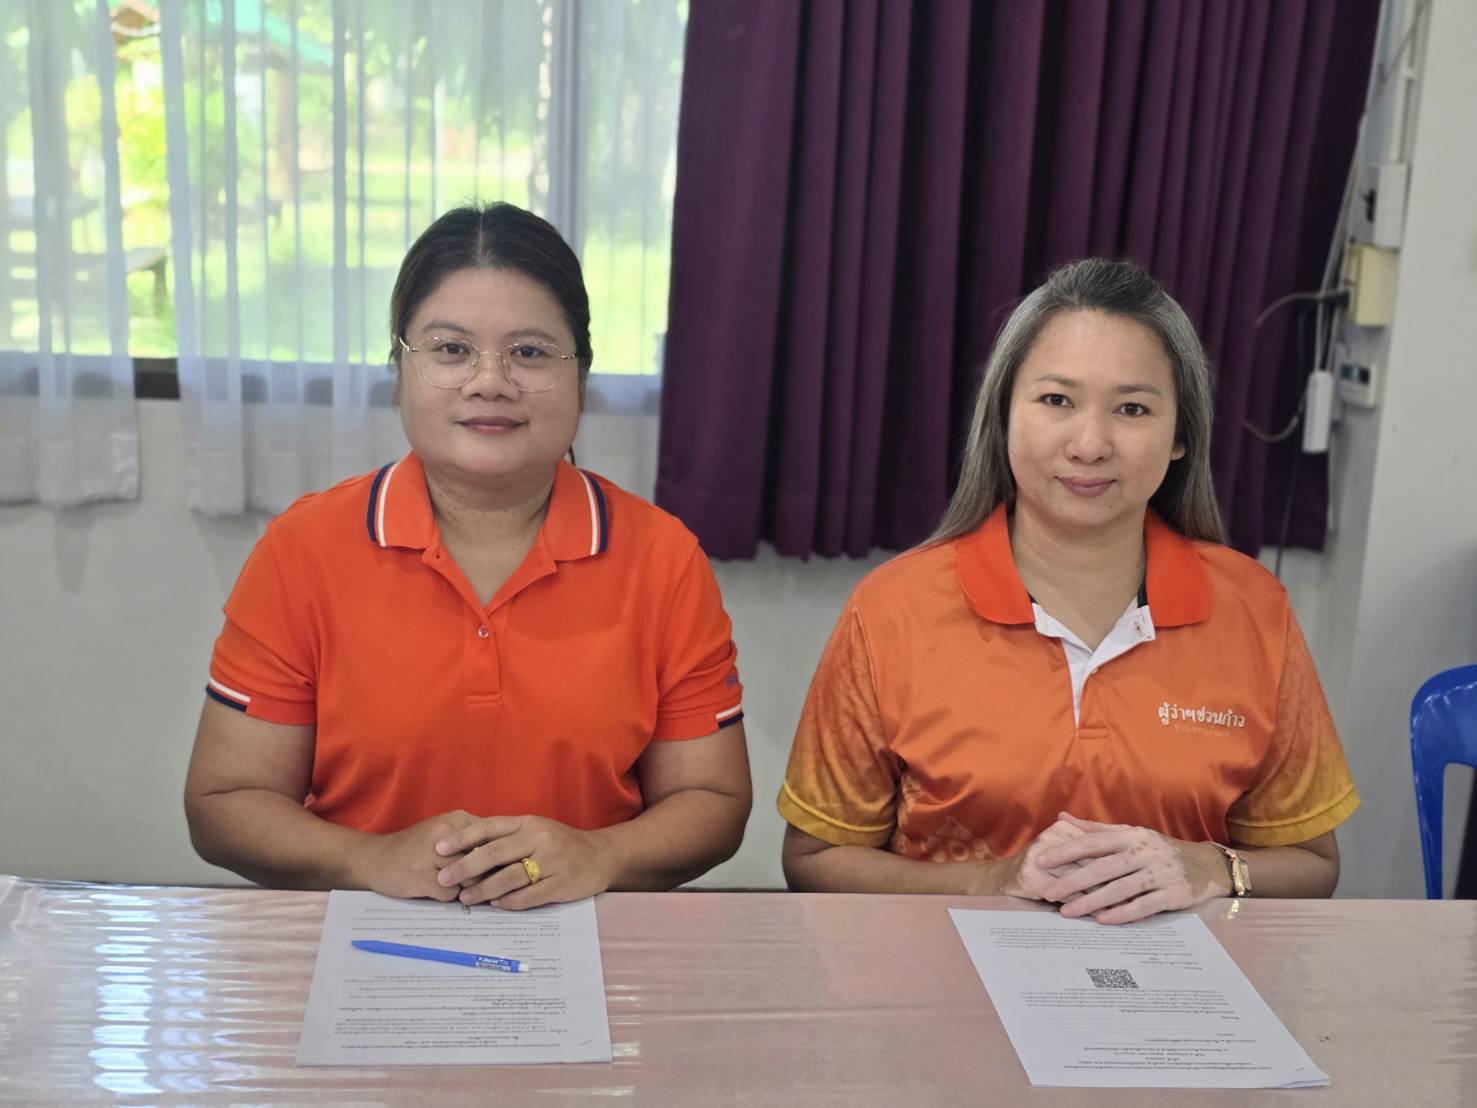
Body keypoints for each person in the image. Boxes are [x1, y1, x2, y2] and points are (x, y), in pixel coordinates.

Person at [185, 202, 751, 910]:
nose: (490, 381)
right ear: (399, 371)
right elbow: (225, 801)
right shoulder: (303, 549)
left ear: (582, 376)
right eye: (451, 349)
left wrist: (602, 854)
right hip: (364, 929)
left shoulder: (661, 558)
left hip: (589, 933)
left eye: (529, 352)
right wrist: (367, 857)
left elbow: (713, 799)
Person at [777, 258, 1359, 924]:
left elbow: (1312, 864)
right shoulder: (890, 609)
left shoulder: (1253, 608)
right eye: (1056, 400)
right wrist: (993, 880)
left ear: (1180, 437)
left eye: (1132, 409)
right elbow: (814, 860)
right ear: (1003, 414)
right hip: (943, 972)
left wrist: (1211, 868)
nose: (1089, 445)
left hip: (1180, 981)